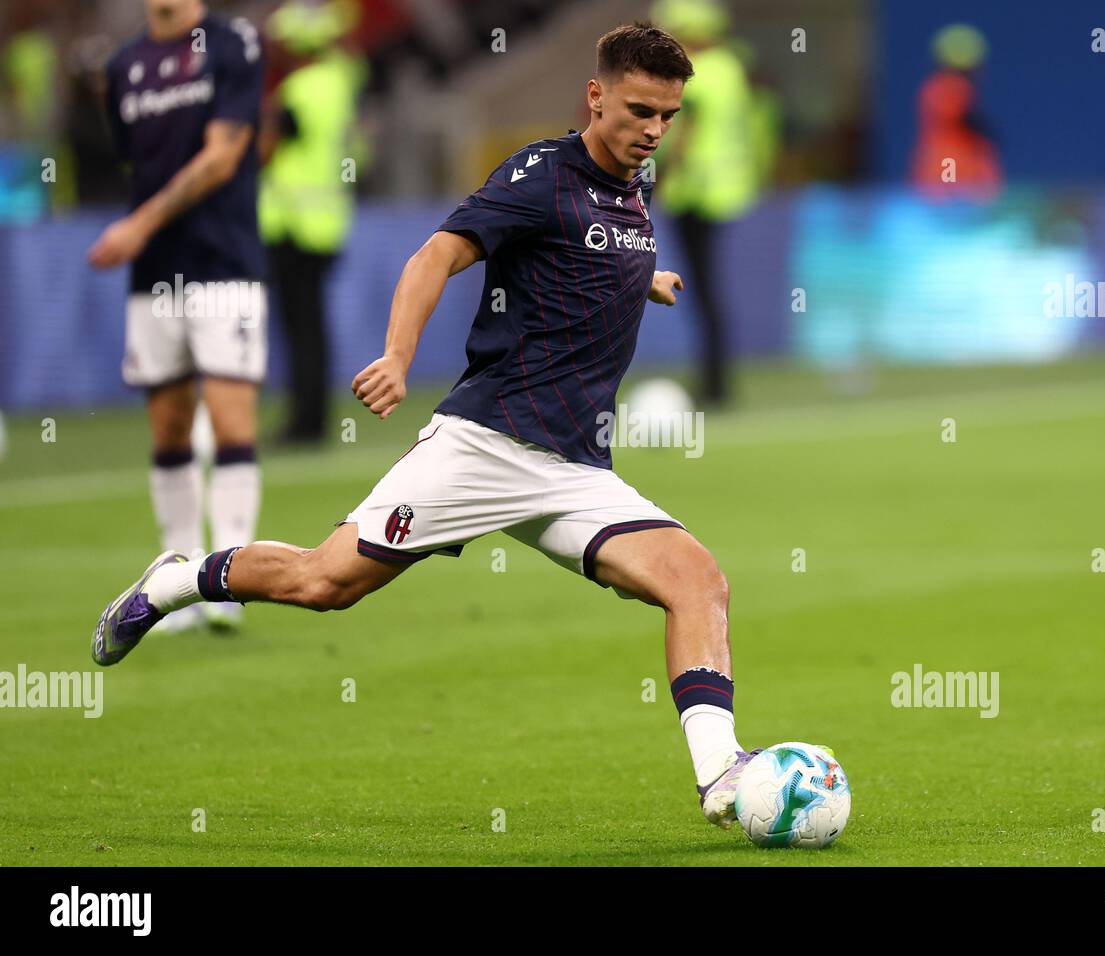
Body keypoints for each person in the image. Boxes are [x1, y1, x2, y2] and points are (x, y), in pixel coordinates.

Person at [93, 21, 758, 829]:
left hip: (575, 468)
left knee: (697, 581)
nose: (653, 130)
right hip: (484, 445)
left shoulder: (633, 183)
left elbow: (588, 246)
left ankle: (721, 777)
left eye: (667, 116)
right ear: (595, 96)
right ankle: (175, 580)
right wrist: (398, 357)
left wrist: (643, 276)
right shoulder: (540, 174)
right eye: (639, 111)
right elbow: (434, 256)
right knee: (323, 583)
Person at [89, 0, 265, 633]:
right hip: (154, 275)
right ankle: (174, 586)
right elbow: (133, 160)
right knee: (168, 430)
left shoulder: (232, 43)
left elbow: (222, 158)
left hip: (224, 265)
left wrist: (139, 224)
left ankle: (229, 583)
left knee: (230, 421)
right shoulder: (122, 65)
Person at [259, 0, 364, 444]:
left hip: (293, 225)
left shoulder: (300, 88)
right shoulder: (339, 81)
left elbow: (265, 149)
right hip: (326, 222)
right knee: (311, 327)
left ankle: (305, 422)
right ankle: (312, 419)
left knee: (299, 328)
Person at [650, 0, 762, 407]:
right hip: (725, 190)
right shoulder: (731, 67)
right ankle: (717, 379)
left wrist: (656, 177)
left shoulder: (694, 73)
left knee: (700, 289)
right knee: (709, 288)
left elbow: (685, 134)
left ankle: (714, 384)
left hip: (694, 192)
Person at [910, 23, 1001, 201]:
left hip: (963, 181)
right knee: (949, 208)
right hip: (949, 173)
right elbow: (963, 118)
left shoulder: (952, 88)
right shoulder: (947, 87)